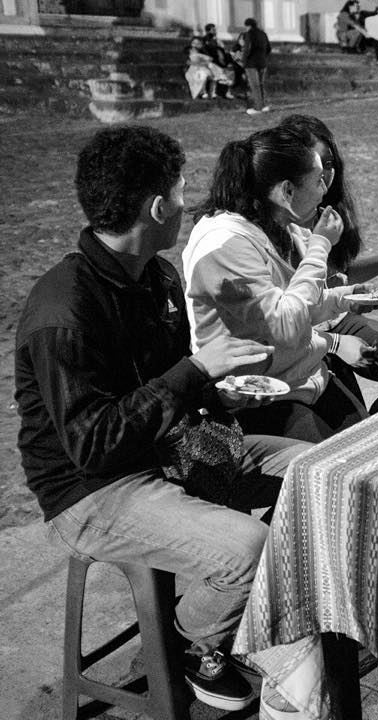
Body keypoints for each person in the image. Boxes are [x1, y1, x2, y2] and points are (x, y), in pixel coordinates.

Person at [14, 125, 312, 714]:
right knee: (248, 549)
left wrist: (224, 394)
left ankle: (244, 623)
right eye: (181, 192)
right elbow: (93, 445)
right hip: (92, 489)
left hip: (171, 446)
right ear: (156, 206)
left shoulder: (157, 276)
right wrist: (196, 370)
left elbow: (171, 385)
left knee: (321, 471)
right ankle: (179, 645)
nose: (188, 203)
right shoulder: (63, 311)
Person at [185, 125, 373, 442]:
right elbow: (284, 325)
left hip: (300, 373)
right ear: (287, 191)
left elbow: (285, 305)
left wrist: (340, 299)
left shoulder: (268, 225)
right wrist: (320, 246)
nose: (324, 191)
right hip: (260, 397)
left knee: (366, 445)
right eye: (317, 181)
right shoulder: (226, 244)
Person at [277, 113, 378, 413]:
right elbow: (284, 315)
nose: (325, 176)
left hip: (336, 318)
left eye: (329, 165)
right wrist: (334, 344)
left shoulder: (318, 211)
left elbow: (337, 274)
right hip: (312, 335)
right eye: (315, 167)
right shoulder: (281, 223)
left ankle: (375, 419)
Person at [336, 0, 378, 65]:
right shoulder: (347, 15)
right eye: (356, 6)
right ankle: (351, 49)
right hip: (354, 37)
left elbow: (371, 13)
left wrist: (376, 11)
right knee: (357, 35)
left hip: (361, 36)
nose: (358, 7)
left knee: (377, 43)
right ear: (350, 7)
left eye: (358, 6)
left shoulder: (362, 13)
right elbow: (348, 27)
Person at [239, 17, 271, 115]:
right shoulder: (263, 34)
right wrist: (263, 57)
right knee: (261, 85)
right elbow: (269, 48)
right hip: (262, 62)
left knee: (255, 85)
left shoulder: (249, 34)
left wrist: (243, 60)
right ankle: (263, 105)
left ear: (248, 26)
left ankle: (258, 107)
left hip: (251, 63)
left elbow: (247, 49)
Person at [201, 23, 243, 95]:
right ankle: (212, 91)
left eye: (215, 29)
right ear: (208, 31)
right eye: (213, 30)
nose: (215, 31)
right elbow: (209, 52)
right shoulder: (205, 41)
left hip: (221, 61)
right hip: (212, 61)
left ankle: (228, 91)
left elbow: (223, 50)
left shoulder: (217, 40)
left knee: (232, 69)